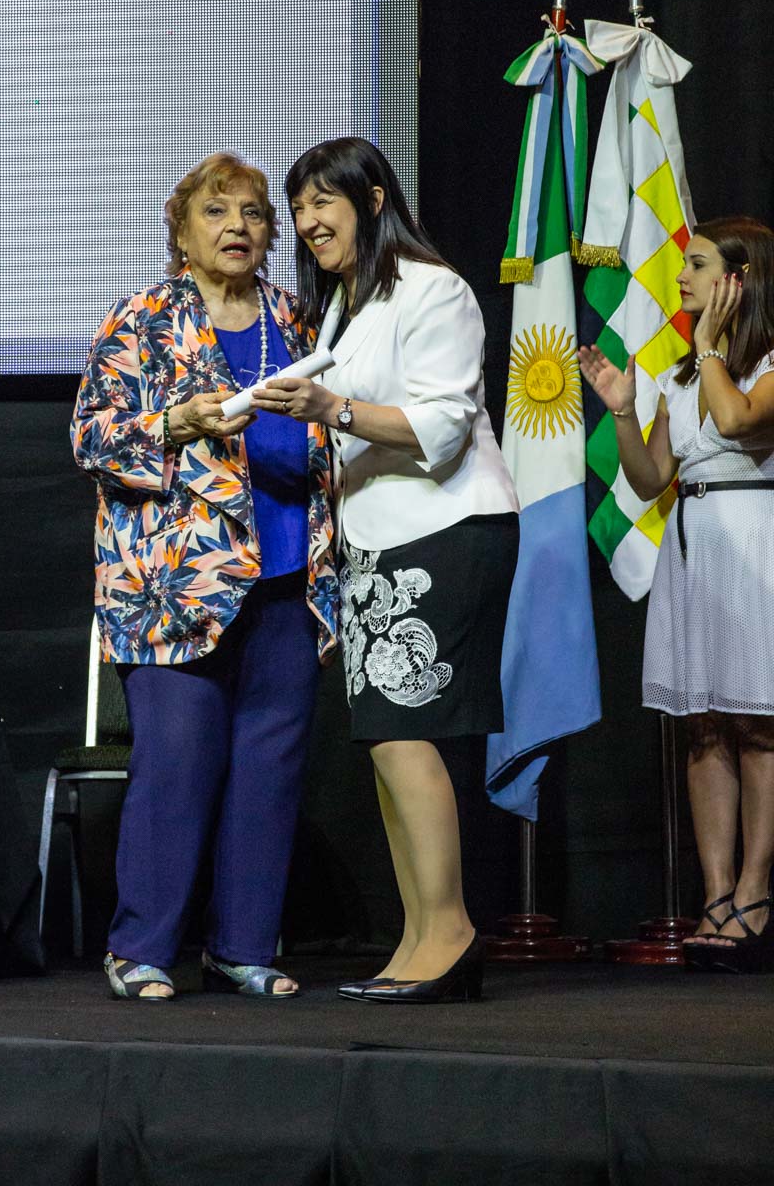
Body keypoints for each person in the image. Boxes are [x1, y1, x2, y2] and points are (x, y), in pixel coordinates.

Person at [253, 136, 519, 1004]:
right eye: (297, 207)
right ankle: (417, 938)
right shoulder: (345, 305)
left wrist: (333, 407)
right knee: (382, 741)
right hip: (376, 541)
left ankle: (451, 933)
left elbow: (442, 424)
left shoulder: (433, 288)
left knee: (406, 733)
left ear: (372, 201)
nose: (306, 221)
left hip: (444, 527)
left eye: (321, 201)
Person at [71, 152, 338, 1000]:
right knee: (178, 767)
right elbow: (91, 439)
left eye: (253, 213)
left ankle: (243, 948)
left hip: (290, 579)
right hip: (174, 588)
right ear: (181, 233)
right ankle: (140, 949)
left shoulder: (300, 321)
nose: (238, 227)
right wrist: (173, 424)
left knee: (269, 770)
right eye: (217, 212)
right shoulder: (142, 319)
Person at [579, 217, 774, 973]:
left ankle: (757, 893)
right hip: (692, 550)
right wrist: (622, 409)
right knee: (703, 726)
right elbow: (650, 478)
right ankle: (717, 894)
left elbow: (736, 419)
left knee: (758, 724)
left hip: (753, 543)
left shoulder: (757, 364)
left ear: (739, 280)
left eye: (697, 265)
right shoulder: (684, 375)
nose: (682, 278)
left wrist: (713, 345)